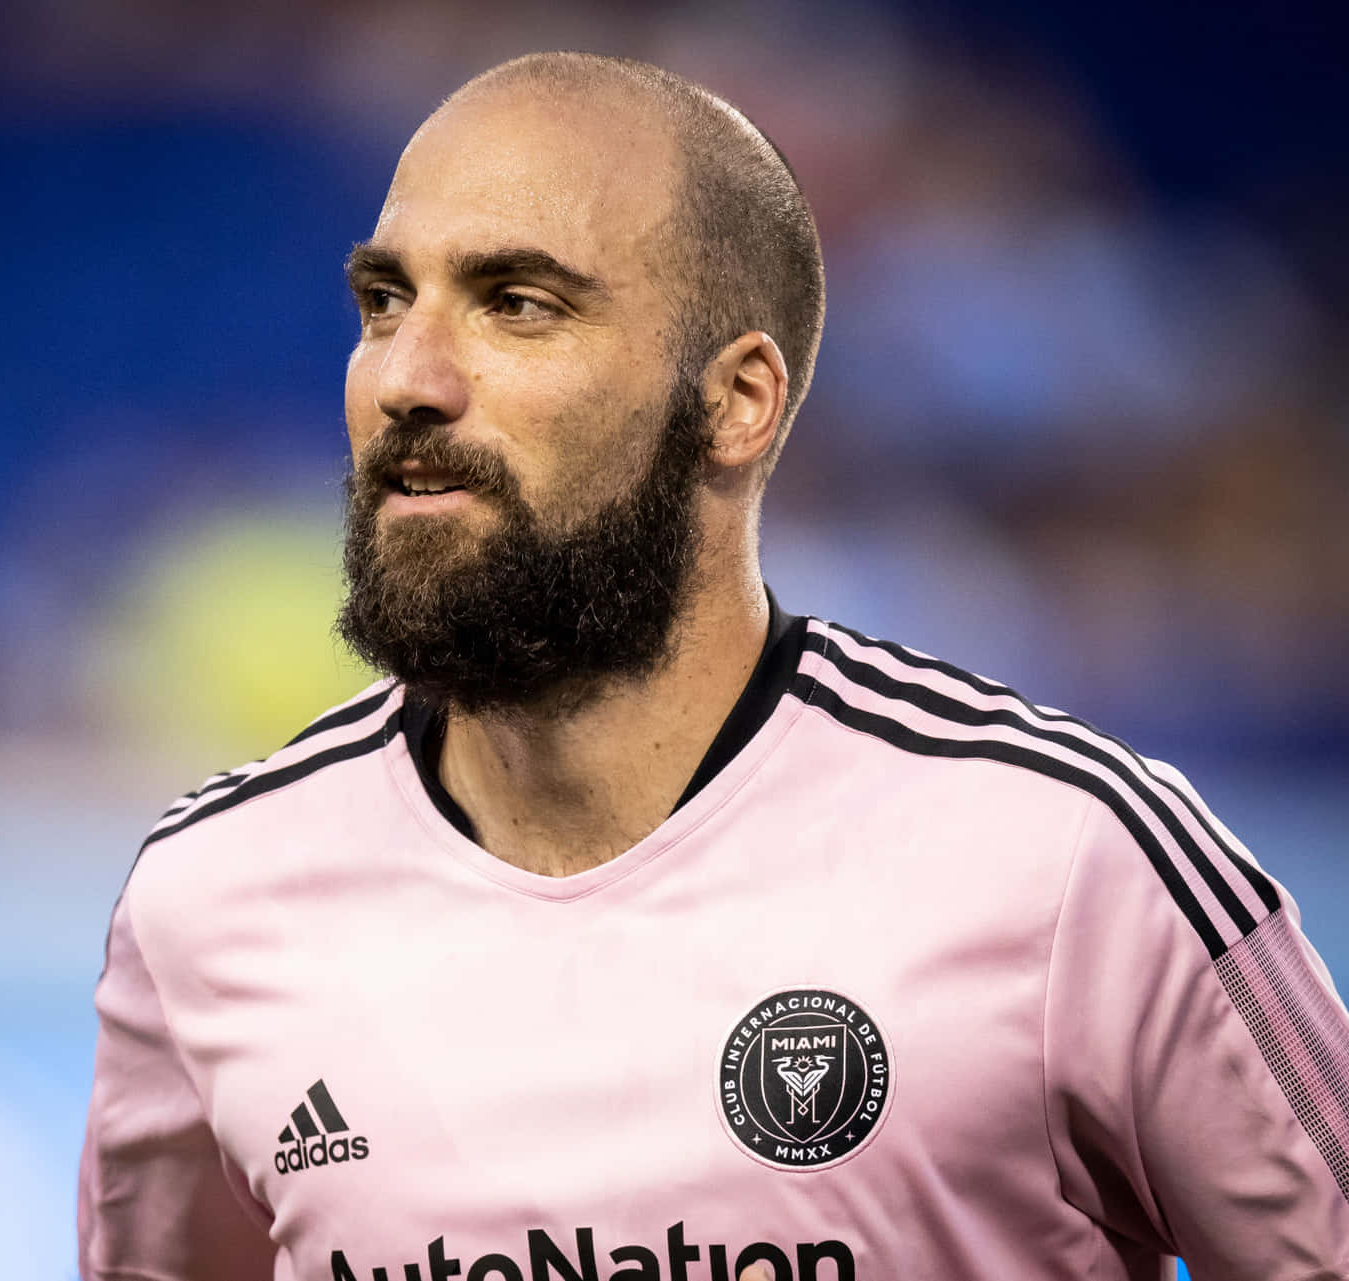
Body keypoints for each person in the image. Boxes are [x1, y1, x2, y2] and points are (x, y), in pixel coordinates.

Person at [77, 52, 1349, 1281]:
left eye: (519, 304)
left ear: (737, 401)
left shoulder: (1077, 859)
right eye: (383, 302)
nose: (408, 378)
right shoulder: (208, 902)